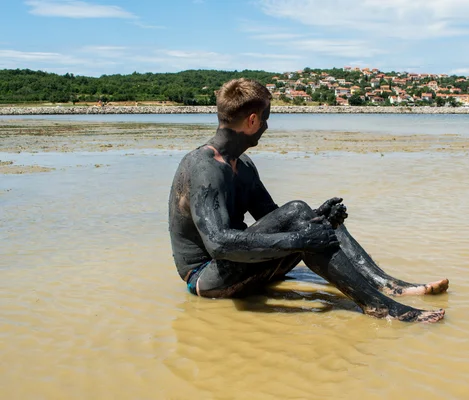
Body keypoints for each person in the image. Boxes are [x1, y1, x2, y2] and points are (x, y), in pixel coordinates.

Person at [168, 78, 448, 323]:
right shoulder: (205, 168)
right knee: (303, 221)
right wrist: (300, 240)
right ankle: (379, 306)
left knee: (316, 221)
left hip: (240, 267)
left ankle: (388, 287)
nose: (267, 125)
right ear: (252, 121)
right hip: (206, 279)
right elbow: (218, 243)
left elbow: (273, 217)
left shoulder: (244, 166)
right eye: (265, 118)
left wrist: (318, 219)